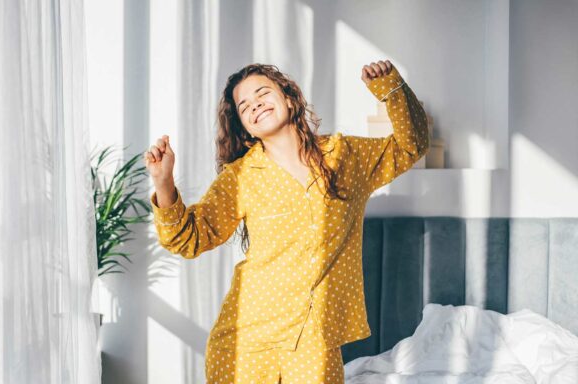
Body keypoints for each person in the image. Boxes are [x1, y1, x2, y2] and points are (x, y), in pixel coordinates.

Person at [144, 60, 429, 383]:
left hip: (314, 342)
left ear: (290, 98)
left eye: (262, 93)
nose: (255, 105)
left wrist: (390, 87)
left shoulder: (345, 156)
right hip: (245, 342)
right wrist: (163, 182)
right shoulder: (240, 178)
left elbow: (412, 145)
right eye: (245, 106)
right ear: (245, 127)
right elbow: (189, 239)